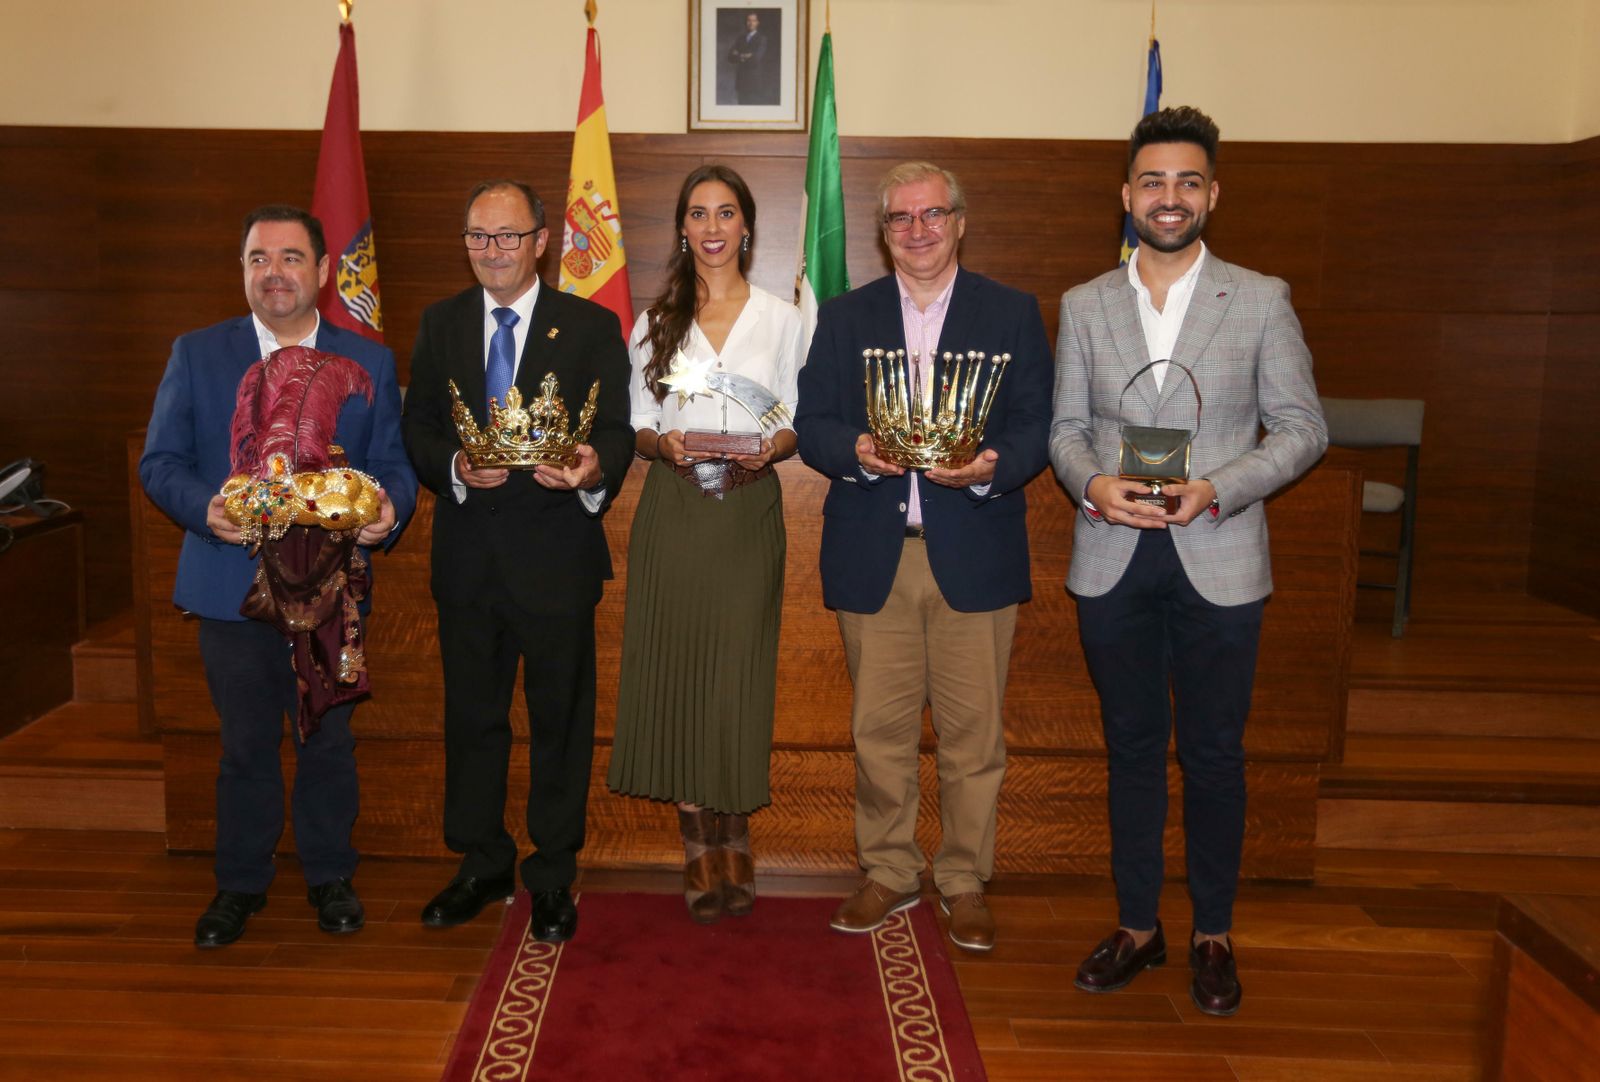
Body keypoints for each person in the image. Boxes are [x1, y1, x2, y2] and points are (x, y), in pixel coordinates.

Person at [1050, 106, 1328, 1016]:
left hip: (1220, 554)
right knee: (1131, 749)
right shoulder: (1085, 304)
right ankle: (1138, 926)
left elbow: (1302, 430)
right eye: (1153, 182)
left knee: (1213, 754)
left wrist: (1220, 486)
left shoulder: (1260, 297)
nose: (1170, 198)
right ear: (1126, 196)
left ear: (1213, 195)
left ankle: (1213, 932)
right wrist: (1095, 487)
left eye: (1188, 182)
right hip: (1113, 556)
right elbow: (1063, 433)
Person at [140, 204, 416, 948]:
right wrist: (207, 510)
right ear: (243, 271)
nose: (274, 273)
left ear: (324, 272)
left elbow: (393, 464)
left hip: (331, 591)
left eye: (291, 258)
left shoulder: (371, 360)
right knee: (246, 746)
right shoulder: (196, 354)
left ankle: (330, 876)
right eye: (259, 258)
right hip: (228, 586)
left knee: (328, 743)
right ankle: (240, 886)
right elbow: (158, 464)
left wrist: (389, 510)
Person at [795, 161, 1051, 953]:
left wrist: (990, 469)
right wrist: (859, 450)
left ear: (960, 221)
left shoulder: (1010, 314)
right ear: (882, 232)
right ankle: (891, 871)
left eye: (932, 214)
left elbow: (1039, 425)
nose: (917, 230)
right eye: (901, 219)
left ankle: (965, 879)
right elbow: (812, 423)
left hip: (974, 548)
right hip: (878, 552)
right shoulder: (844, 317)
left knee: (975, 739)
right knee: (880, 732)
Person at [401, 180, 633, 943]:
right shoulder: (440, 324)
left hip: (555, 559)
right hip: (468, 559)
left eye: (506, 236)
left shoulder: (592, 325)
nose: (491, 251)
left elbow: (617, 430)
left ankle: (554, 873)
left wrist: (593, 468)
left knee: (560, 721)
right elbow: (421, 428)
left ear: (541, 241)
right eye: (477, 236)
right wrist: (457, 469)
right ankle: (481, 860)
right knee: (473, 718)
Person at [607, 165, 802, 924]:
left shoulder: (783, 319)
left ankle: (735, 830)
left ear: (746, 227)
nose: (713, 227)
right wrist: (666, 443)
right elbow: (636, 424)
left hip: (748, 515)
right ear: (683, 229)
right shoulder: (654, 323)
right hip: (677, 511)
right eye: (698, 214)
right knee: (676, 662)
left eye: (727, 213)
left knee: (735, 670)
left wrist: (773, 448)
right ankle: (696, 839)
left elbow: (798, 418)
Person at [725, 11, 774, 104]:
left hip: (754, 82)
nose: (751, 23)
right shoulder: (740, 38)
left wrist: (739, 54)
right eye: (749, 20)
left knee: (753, 111)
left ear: (757, 23)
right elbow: (730, 57)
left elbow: (755, 60)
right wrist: (745, 55)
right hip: (741, 81)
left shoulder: (762, 39)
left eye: (754, 20)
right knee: (741, 110)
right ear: (746, 22)